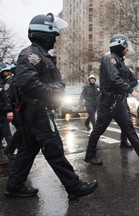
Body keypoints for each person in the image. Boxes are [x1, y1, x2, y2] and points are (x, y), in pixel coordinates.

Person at [5, 13, 98, 200]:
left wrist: (56, 90)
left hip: (36, 111)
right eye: (53, 35)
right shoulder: (31, 54)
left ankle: (14, 186)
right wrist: (53, 93)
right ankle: (74, 187)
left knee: (28, 149)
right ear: (44, 34)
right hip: (37, 111)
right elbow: (28, 82)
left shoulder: (41, 55)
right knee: (54, 149)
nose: (55, 39)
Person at [85, 33, 139, 165]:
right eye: (126, 47)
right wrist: (132, 91)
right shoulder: (109, 59)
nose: (128, 50)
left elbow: (132, 80)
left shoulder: (121, 62)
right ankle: (90, 155)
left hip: (118, 102)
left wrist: (128, 84)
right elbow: (114, 80)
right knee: (99, 129)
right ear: (120, 46)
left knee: (128, 127)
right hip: (108, 102)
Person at [0, 63, 22, 160]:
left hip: (15, 109)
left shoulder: (16, 80)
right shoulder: (10, 81)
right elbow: (7, 96)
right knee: (19, 129)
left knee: (21, 129)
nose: (7, 73)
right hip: (8, 109)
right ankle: (10, 149)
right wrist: (9, 110)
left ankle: (19, 150)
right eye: (5, 72)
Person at [0, 64, 13, 156]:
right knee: (5, 127)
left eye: (9, 71)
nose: (8, 73)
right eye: (6, 71)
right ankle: (11, 146)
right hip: (2, 108)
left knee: (4, 126)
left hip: (5, 107)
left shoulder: (7, 81)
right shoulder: (3, 82)